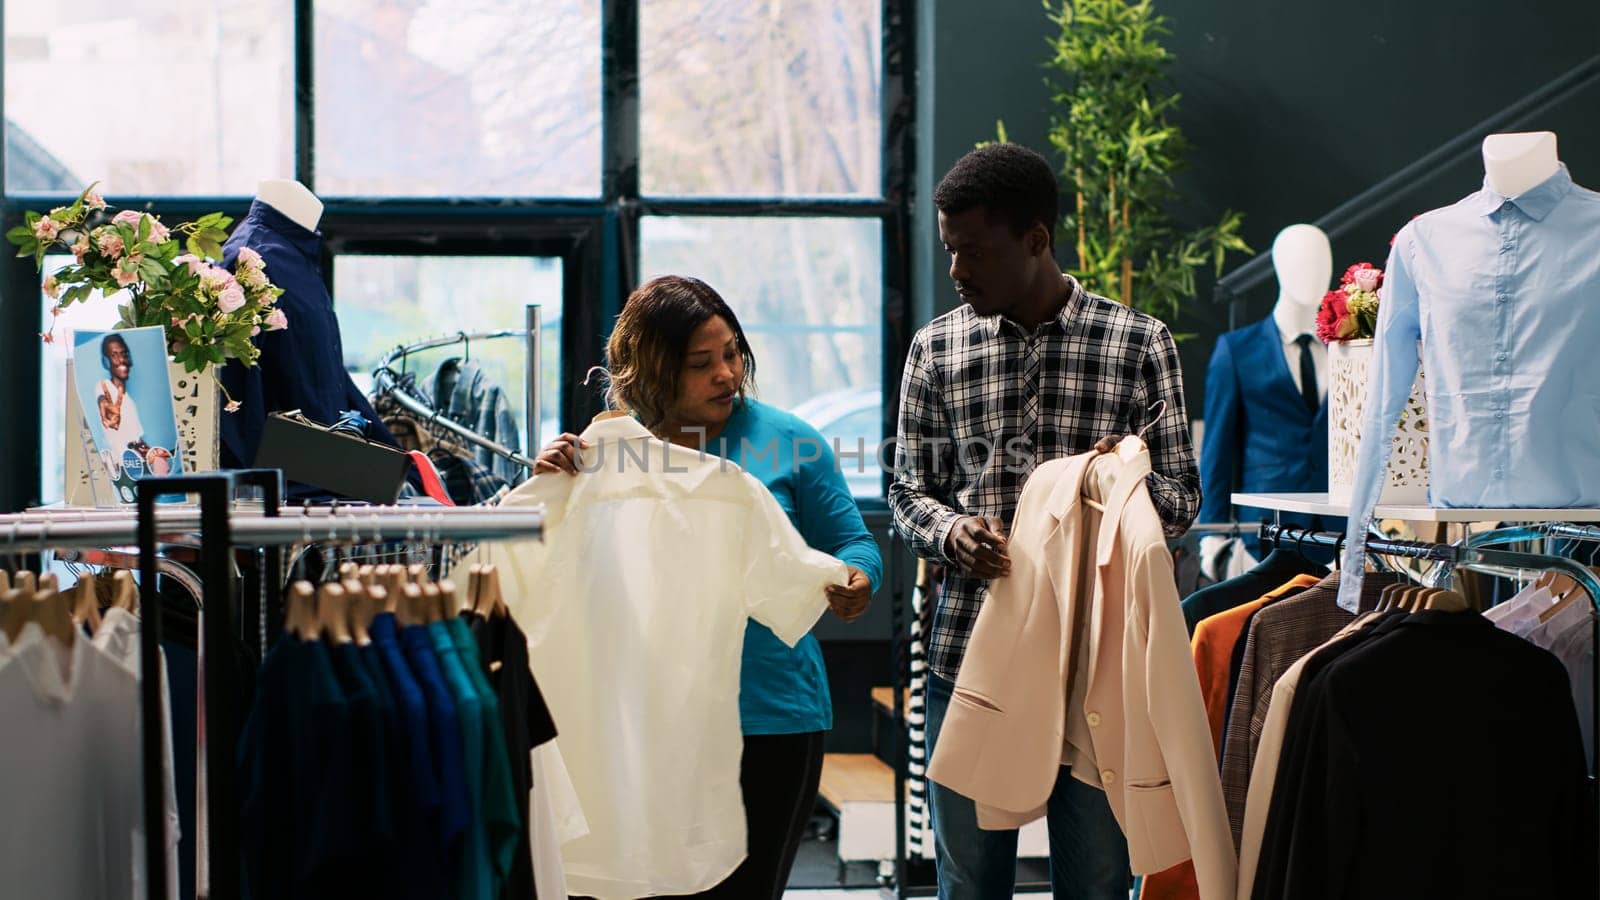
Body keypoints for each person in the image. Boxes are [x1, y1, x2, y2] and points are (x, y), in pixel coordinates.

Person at [889, 143, 1201, 899]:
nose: (957, 271)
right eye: (949, 250)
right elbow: (905, 490)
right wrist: (952, 532)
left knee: (1095, 886)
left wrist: (1112, 485)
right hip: (971, 649)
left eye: (974, 251)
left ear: (1036, 240)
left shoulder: (1138, 342)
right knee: (968, 886)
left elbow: (1181, 499)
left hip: (1096, 662)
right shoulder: (936, 348)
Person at [535, 275, 883, 899]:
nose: (726, 374)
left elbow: (854, 542)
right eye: (702, 363)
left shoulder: (791, 441)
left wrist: (857, 578)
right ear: (652, 370)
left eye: (732, 355)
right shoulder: (606, 454)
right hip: (646, 717)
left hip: (771, 718)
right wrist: (557, 487)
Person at [94, 334, 172, 474]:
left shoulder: (128, 400)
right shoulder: (103, 387)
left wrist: (156, 456)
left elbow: (137, 440)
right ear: (106, 362)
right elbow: (108, 416)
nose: (122, 360)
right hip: (123, 469)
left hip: (137, 465)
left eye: (124, 354)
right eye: (114, 355)